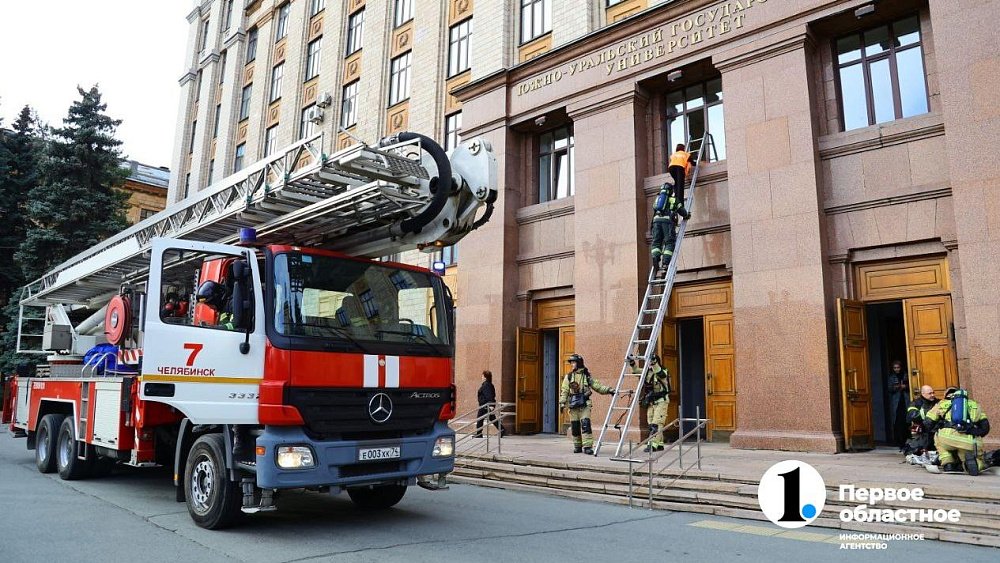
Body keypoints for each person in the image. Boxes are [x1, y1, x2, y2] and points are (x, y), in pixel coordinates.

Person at [923, 387, 990, 475]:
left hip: (947, 438)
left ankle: (948, 463)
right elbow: (985, 428)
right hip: (970, 441)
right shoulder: (975, 404)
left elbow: (928, 423)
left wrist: (939, 426)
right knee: (970, 454)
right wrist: (972, 432)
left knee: (937, 437)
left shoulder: (942, 404)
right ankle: (971, 464)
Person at [559, 354, 614, 454]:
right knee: (575, 426)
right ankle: (577, 445)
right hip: (573, 405)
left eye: (574, 362)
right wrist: (562, 403)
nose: (572, 365)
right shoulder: (569, 376)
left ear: (579, 363)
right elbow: (565, 390)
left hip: (584, 405)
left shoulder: (586, 376)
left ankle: (587, 446)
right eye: (571, 363)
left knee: (585, 425)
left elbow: (597, 386)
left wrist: (609, 390)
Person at [630, 354, 671, 452]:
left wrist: (653, 362)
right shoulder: (647, 372)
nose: (649, 364)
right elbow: (636, 371)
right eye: (648, 362)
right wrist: (632, 362)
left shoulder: (662, 371)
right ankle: (660, 443)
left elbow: (661, 373)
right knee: (651, 422)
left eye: (651, 362)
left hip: (661, 400)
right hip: (651, 401)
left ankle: (652, 444)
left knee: (656, 423)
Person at [903, 385, 938, 463]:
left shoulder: (938, 402)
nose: (932, 395)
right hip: (922, 432)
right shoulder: (915, 403)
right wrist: (931, 413)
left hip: (935, 432)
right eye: (930, 393)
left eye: (933, 393)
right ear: (923, 393)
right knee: (912, 450)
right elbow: (912, 415)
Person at [650, 183, 678, 272]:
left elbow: (654, 208)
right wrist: (687, 215)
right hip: (667, 223)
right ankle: (665, 263)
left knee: (656, 243)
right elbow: (681, 209)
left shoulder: (658, 199)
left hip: (656, 222)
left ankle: (656, 257)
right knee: (669, 242)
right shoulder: (672, 199)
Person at [475, 370, 506, 438]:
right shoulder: (487, 384)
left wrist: (491, 405)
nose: (481, 377)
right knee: (492, 418)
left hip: (486, 405)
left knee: (480, 418)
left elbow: (489, 396)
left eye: (482, 376)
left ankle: (479, 433)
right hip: (486, 405)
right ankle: (502, 430)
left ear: (485, 377)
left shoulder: (486, 385)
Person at [667, 143, 693, 220]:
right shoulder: (686, 154)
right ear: (683, 148)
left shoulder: (673, 155)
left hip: (671, 169)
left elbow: (672, 161)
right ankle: (680, 205)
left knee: (677, 184)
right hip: (679, 168)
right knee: (680, 186)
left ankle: (675, 199)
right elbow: (692, 162)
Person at [886, 360, 909, 448]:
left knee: (907, 421)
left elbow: (912, 385)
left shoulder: (906, 375)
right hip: (897, 402)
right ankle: (899, 441)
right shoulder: (892, 377)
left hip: (906, 401)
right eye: (895, 368)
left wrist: (905, 386)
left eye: (898, 367)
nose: (896, 369)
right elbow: (889, 388)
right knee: (898, 422)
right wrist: (897, 387)